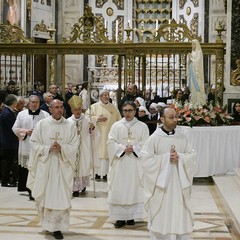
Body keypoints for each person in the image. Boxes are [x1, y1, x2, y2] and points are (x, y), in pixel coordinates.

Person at [140, 107, 197, 240]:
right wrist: (165, 158)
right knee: (162, 214)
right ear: (162, 119)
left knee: (179, 212)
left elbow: (192, 155)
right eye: (171, 117)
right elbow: (146, 158)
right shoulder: (154, 138)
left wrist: (181, 158)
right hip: (161, 188)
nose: (175, 120)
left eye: (176, 116)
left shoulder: (182, 137)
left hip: (179, 186)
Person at [26, 99, 78, 240]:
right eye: (56, 107)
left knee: (60, 196)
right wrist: (47, 148)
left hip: (63, 166)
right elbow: (33, 143)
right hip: (46, 165)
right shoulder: (42, 124)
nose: (59, 110)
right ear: (50, 109)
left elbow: (74, 145)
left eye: (61, 107)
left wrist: (63, 148)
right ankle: (47, 224)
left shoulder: (70, 125)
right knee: (47, 194)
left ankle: (58, 227)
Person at [107, 101, 149, 228]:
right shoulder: (116, 126)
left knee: (134, 188)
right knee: (120, 188)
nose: (127, 113)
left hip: (135, 164)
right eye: (125, 110)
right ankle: (120, 217)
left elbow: (146, 144)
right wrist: (122, 148)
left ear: (135, 111)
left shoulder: (142, 126)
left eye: (130, 110)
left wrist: (135, 148)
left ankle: (132, 216)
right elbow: (110, 142)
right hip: (120, 163)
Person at [12, 95, 49, 200]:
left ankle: (38, 190)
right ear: (29, 103)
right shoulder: (21, 114)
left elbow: (49, 128)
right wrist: (26, 132)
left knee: (38, 169)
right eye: (32, 102)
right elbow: (14, 128)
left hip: (39, 147)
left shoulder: (45, 115)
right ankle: (29, 189)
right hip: (26, 145)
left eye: (37, 102)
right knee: (27, 169)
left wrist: (38, 133)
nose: (34, 104)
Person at [85, 89, 121, 181]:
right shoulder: (94, 107)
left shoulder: (113, 107)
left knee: (107, 153)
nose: (106, 97)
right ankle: (97, 173)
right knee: (98, 152)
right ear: (100, 97)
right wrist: (97, 119)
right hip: (98, 134)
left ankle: (105, 174)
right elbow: (86, 117)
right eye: (104, 95)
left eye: (107, 95)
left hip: (110, 134)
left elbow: (119, 120)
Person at [67, 95, 96, 197]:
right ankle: (75, 188)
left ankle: (82, 185)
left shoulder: (87, 119)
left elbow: (93, 135)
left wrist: (92, 129)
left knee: (83, 166)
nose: (78, 111)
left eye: (79, 109)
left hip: (84, 147)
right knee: (73, 166)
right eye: (75, 109)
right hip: (73, 148)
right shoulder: (68, 122)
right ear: (72, 110)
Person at [0, 94, 19, 187]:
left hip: (8, 140)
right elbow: (12, 128)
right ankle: (5, 180)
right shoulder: (7, 113)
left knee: (9, 161)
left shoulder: (8, 111)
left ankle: (7, 179)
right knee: (7, 162)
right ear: (13, 102)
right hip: (8, 141)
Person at [187, 39, 206, 106]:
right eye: (192, 44)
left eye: (193, 44)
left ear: (196, 44)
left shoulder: (199, 52)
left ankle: (199, 102)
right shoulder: (192, 52)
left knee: (197, 86)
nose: (192, 46)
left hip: (197, 72)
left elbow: (198, 62)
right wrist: (188, 58)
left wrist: (191, 58)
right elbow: (189, 62)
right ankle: (193, 102)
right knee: (192, 87)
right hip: (192, 70)